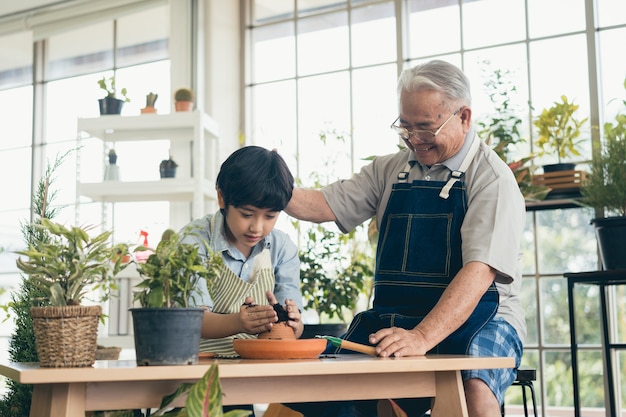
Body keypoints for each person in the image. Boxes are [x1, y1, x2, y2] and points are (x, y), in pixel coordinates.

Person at [285, 60, 526, 417]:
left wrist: (422, 337)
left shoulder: (491, 178)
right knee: (321, 386)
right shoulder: (389, 169)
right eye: (406, 127)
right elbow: (324, 204)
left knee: (474, 390)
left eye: (426, 128)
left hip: (483, 318)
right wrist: (275, 187)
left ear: (464, 117)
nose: (414, 139)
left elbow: (479, 273)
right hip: (396, 316)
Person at [180, 145, 304, 359]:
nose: (257, 227)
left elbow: (296, 330)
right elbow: (192, 320)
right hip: (201, 366)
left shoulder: (282, 248)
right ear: (221, 198)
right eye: (247, 214)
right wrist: (238, 322)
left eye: (270, 216)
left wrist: (293, 322)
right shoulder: (194, 241)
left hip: (259, 367)